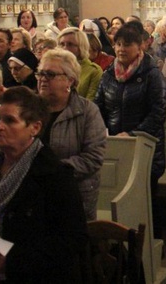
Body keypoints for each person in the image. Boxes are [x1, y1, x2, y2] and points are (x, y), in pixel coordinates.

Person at [0, 86, 87, 283]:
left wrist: (12, 262)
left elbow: (71, 240)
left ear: (35, 127)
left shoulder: (53, 176)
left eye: (9, 121)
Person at [95, 21, 166, 209]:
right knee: (119, 199)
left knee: (145, 202)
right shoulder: (108, 74)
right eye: (118, 44)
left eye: (127, 44)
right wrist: (99, 131)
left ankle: (151, 237)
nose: (121, 49)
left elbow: (158, 113)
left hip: (144, 146)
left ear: (140, 46)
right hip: (114, 144)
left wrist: (132, 135)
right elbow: (99, 106)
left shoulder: (152, 74)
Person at [37, 48, 107, 220]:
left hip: (74, 194)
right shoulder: (30, 109)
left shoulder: (87, 111)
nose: (43, 79)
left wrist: (53, 172)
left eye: (50, 74)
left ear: (70, 80)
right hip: (34, 193)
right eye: (40, 73)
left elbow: (93, 156)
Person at [57, 27, 103, 101]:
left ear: (81, 47)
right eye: (62, 44)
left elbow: (90, 103)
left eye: (70, 44)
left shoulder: (94, 71)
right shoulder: (54, 68)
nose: (65, 48)